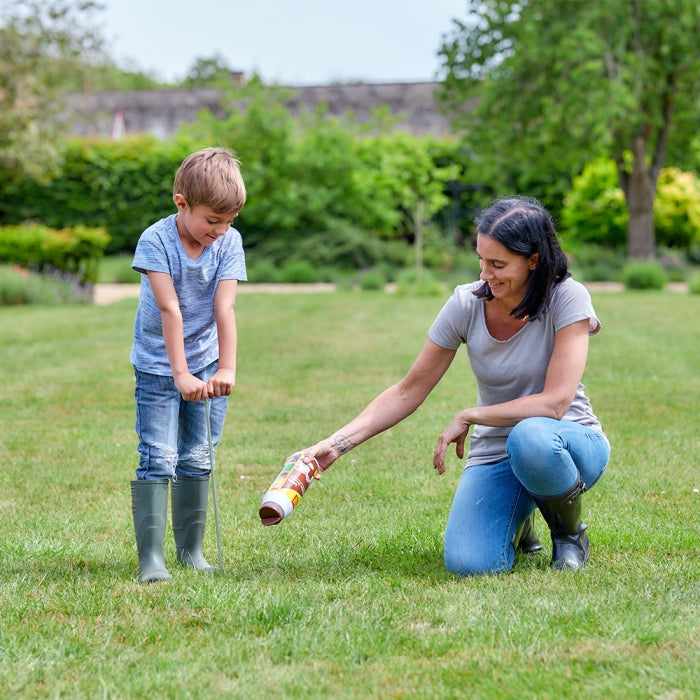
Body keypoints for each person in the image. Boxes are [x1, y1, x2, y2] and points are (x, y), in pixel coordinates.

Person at [303, 196, 610, 576]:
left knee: (529, 436)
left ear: (533, 260)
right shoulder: (466, 304)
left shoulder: (567, 297)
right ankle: (523, 511)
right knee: (470, 564)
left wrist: (472, 414)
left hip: (568, 442)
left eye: (498, 264)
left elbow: (555, 404)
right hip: (499, 451)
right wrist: (336, 444)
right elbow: (408, 389)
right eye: (481, 260)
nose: (485, 274)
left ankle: (569, 535)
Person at [129, 147, 247, 583]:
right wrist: (180, 375)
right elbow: (170, 309)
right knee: (159, 455)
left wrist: (226, 369)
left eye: (229, 221)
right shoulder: (156, 241)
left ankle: (191, 552)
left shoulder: (228, 242)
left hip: (206, 359)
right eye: (212, 220)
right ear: (182, 203)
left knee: (198, 456)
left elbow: (225, 307)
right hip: (160, 365)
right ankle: (152, 559)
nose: (220, 230)